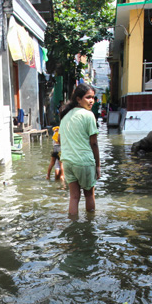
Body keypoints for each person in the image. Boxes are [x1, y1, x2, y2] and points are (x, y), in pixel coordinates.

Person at [58, 84, 100, 215]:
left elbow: (59, 139)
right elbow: (94, 144)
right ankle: (90, 226)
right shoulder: (88, 115)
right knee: (89, 195)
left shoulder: (65, 115)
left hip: (68, 162)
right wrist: (98, 166)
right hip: (84, 161)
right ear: (78, 99)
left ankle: (73, 228)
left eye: (93, 97)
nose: (91, 101)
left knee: (74, 197)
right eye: (88, 97)